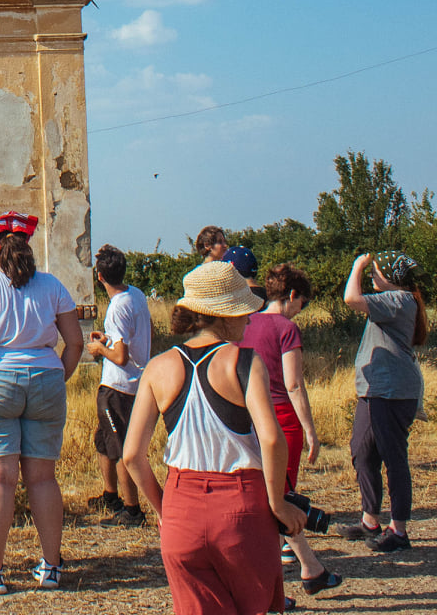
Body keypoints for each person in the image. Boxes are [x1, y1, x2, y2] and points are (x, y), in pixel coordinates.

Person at [122, 259, 304, 615]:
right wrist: (278, 503)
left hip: (181, 506)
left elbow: (131, 455)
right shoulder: (245, 362)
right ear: (224, 315)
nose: (248, 319)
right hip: (241, 505)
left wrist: (163, 510)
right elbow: (271, 439)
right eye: (242, 311)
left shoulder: (158, 367)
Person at [0, 211, 83, 594]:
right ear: (29, 245)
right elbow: (75, 342)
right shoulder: (52, 285)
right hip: (45, 378)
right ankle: (52, 567)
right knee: (43, 478)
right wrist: (57, 375)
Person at [243, 263, 342, 596]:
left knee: (269, 497)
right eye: (303, 302)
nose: (301, 309)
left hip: (249, 417)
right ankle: (280, 584)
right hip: (281, 417)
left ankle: (309, 569)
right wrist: (310, 430)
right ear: (293, 295)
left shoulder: (246, 322)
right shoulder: (286, 328)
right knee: (278, 500)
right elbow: (294, 384)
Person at [338, 251, 427, 552]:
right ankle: (370, 521)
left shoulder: (398, 300)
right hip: (374, 390)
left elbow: (351, 299)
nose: (372, 276)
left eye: (376, 271)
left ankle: (398, 530)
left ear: (391, 276)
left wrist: (357, 267)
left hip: (392, 390)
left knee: (393, 458)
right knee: (362, 451)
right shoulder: (394, 300)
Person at [86, 243, 151, 527]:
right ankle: (110, 495)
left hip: (118, 387)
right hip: (135, 383)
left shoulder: (116, 308)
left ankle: (132, 509)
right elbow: (132, 338)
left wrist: (99, 349)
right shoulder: (136, 294)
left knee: (121, 448)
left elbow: (121, 357)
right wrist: (108, 339)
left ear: (99, 276)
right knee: (104, 440)